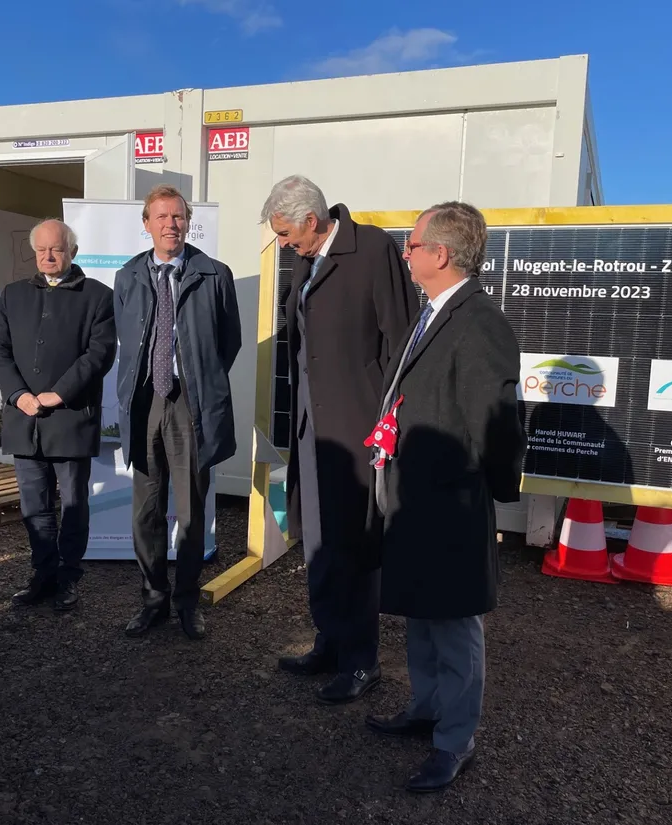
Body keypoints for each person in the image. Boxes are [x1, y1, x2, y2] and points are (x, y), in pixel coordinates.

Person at [365, 202, 525, 793]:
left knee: (454, 621)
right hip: (415, 493)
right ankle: (426, 707)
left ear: (440, 253)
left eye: (411, 245)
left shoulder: (479, 321)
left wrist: (491, 490)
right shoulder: (432, 312)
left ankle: (455, 740)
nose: (404, 255)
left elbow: (496, 420)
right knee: (420, 610)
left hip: (451, 499)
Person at [260, 174, 418, 704]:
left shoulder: (371, 250)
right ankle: (330, 640)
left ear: (311, 220)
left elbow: (402, 339)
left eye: (284, 233)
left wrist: (387, 420)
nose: (281, 243)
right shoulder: (305, 259)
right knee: (320, 540)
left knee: (355, 543)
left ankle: (361, 660)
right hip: (312, 422)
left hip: (356, 422)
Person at [114, 185, 241, 641]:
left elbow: (230, 343)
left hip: (191, 402)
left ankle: (187, 601)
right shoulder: (127, 277)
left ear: (189, 222)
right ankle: (153, 599)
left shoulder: (215, 274)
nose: (171, 224)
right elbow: (127, 341)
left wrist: (200, 379)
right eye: (162, 217)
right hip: (145, 401)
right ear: (146, 224)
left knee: (189, 511)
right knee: (145, 509)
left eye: (179, 217)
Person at [0, 218, 116, 612]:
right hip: (25, 418)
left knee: (74, 503)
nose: (47, 256)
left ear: (72, 252)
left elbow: (99, 354)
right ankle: (42, 574)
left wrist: (58, 393)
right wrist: (17, 394)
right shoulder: (13, 294)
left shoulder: (98, 296)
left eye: (56, 249)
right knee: (33, 505)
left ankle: (68, 577)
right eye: (41, 249)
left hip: (70, 417)